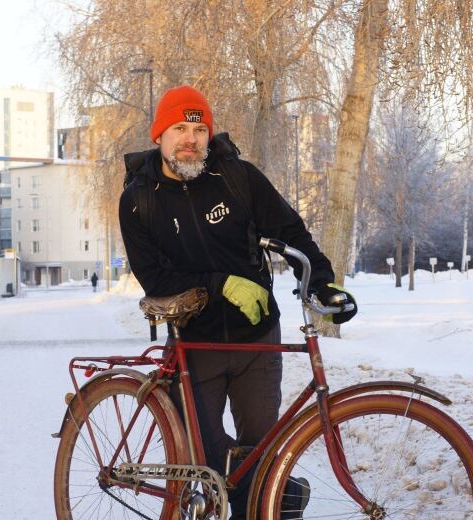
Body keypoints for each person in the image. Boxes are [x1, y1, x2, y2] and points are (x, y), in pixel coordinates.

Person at [119, 85, 357, 519]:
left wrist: (321, 282)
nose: (189, 139)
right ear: (160, 135)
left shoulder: (238, 178)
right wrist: (219, 284)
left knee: (260, 453)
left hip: (257, 338)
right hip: (194, 341)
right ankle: (280, 498)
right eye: (179, 128)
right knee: (206, 458)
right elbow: (153, 278)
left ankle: (268, 501)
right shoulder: (139, 200)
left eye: (199, 128)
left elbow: (291, 232)